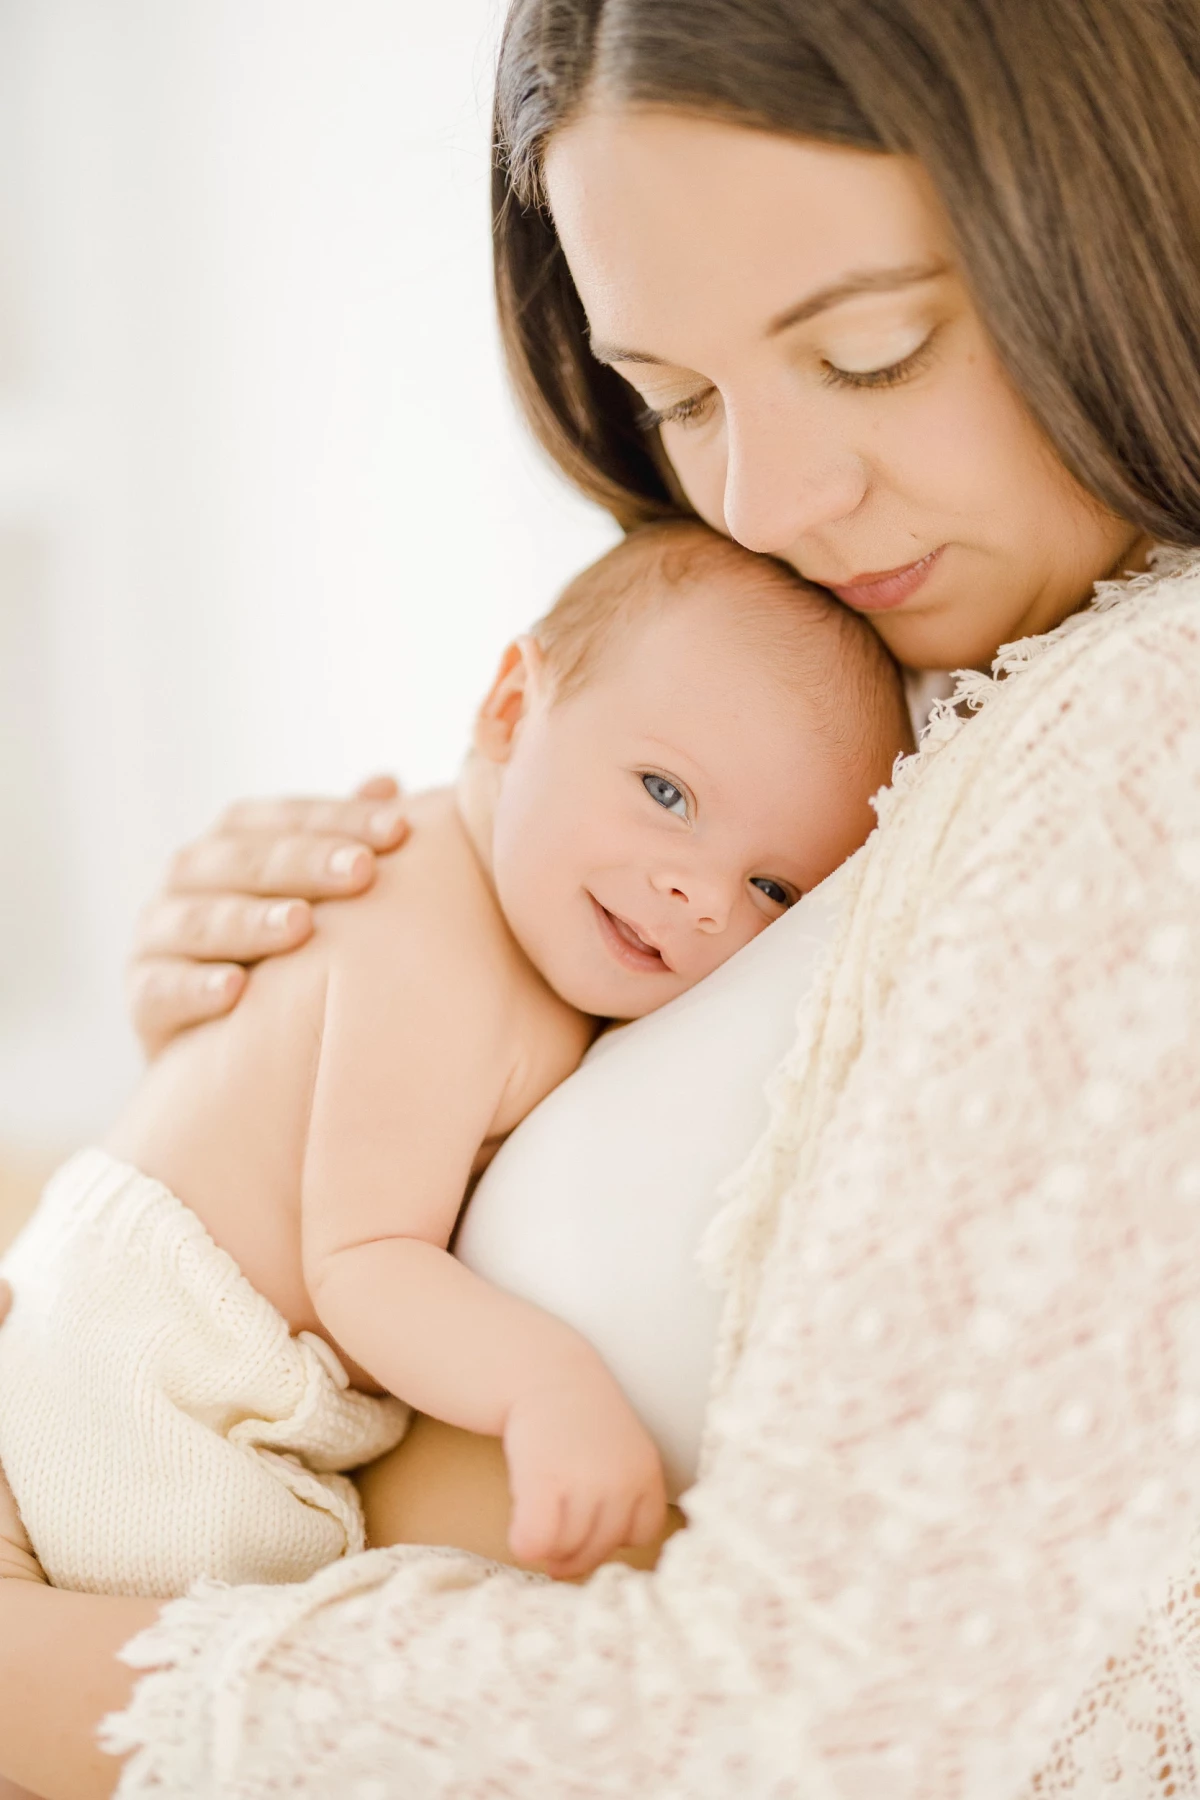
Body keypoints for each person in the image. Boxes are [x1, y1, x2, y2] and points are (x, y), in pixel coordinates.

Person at [2, 0, 1200, 1794]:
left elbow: (828, 1725)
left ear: (1131, 212)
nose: (767, 500)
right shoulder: (898, 663)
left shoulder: (1147, 726)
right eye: (677, 396)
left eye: (870, 353)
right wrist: (252, 1027)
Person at [0, 520, 907, 1598]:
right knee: (245, 1640)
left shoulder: (517, 910)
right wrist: (549, 1390)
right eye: (666, 793)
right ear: (513, 709)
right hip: (148, 1368)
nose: (700, 894)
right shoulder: (426, 945)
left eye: (772, 888)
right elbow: (366, 1264)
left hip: (138, 1336)